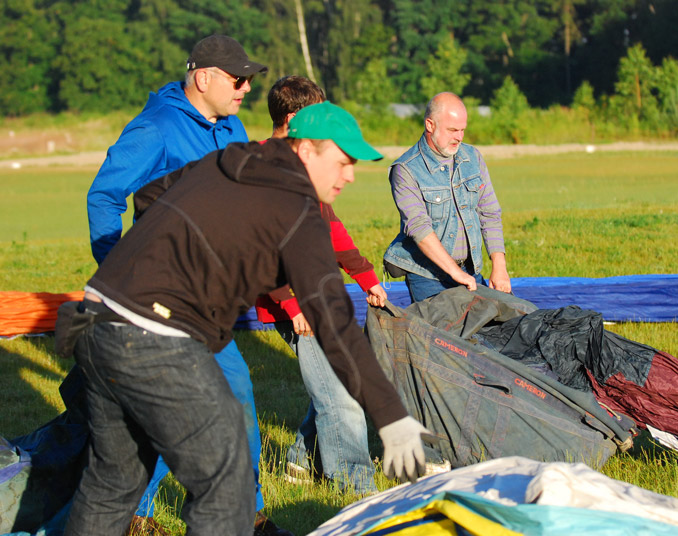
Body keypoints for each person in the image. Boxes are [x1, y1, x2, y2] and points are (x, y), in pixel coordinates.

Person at [62, 101, 430, 536]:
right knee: (227, 483)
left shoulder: (224, 161)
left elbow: (148, 196)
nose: (349, 175)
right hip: (156, 339)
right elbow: (332, 321)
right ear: (306, 150)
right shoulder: (297, 208)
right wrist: (391, 416)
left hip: (95, 319)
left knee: (112, 482)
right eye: (343, 161)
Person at [84, 35, 279, 535]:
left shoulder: (231, 125)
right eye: (238, 80)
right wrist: (119, 270)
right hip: (155, 303)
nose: (246, 89)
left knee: (235, 398)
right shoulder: (157, 128)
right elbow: (104, 196)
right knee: (162, 410)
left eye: (250, 80)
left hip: (207, 301)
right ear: (204, 77)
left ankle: (246, 515)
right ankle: (135, 517)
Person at [255, 76, 379, 494]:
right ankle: (356, 489)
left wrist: (364, 275)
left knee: (333, 379)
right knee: (342, 390)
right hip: (296, 300)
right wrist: (291, 304)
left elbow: (330, 226)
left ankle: (299, 461)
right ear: (293, 120)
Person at [383, 92, 512, 303]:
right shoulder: (405, 170)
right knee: (443, 334)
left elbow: (489, 212)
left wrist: (499, 267)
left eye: (462, 130)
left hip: (470, 271)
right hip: (427, 276)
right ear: (430, 125)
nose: (459, 137)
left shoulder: (472, 157)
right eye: (452, 130)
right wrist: (455, 273)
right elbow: (419, 229)